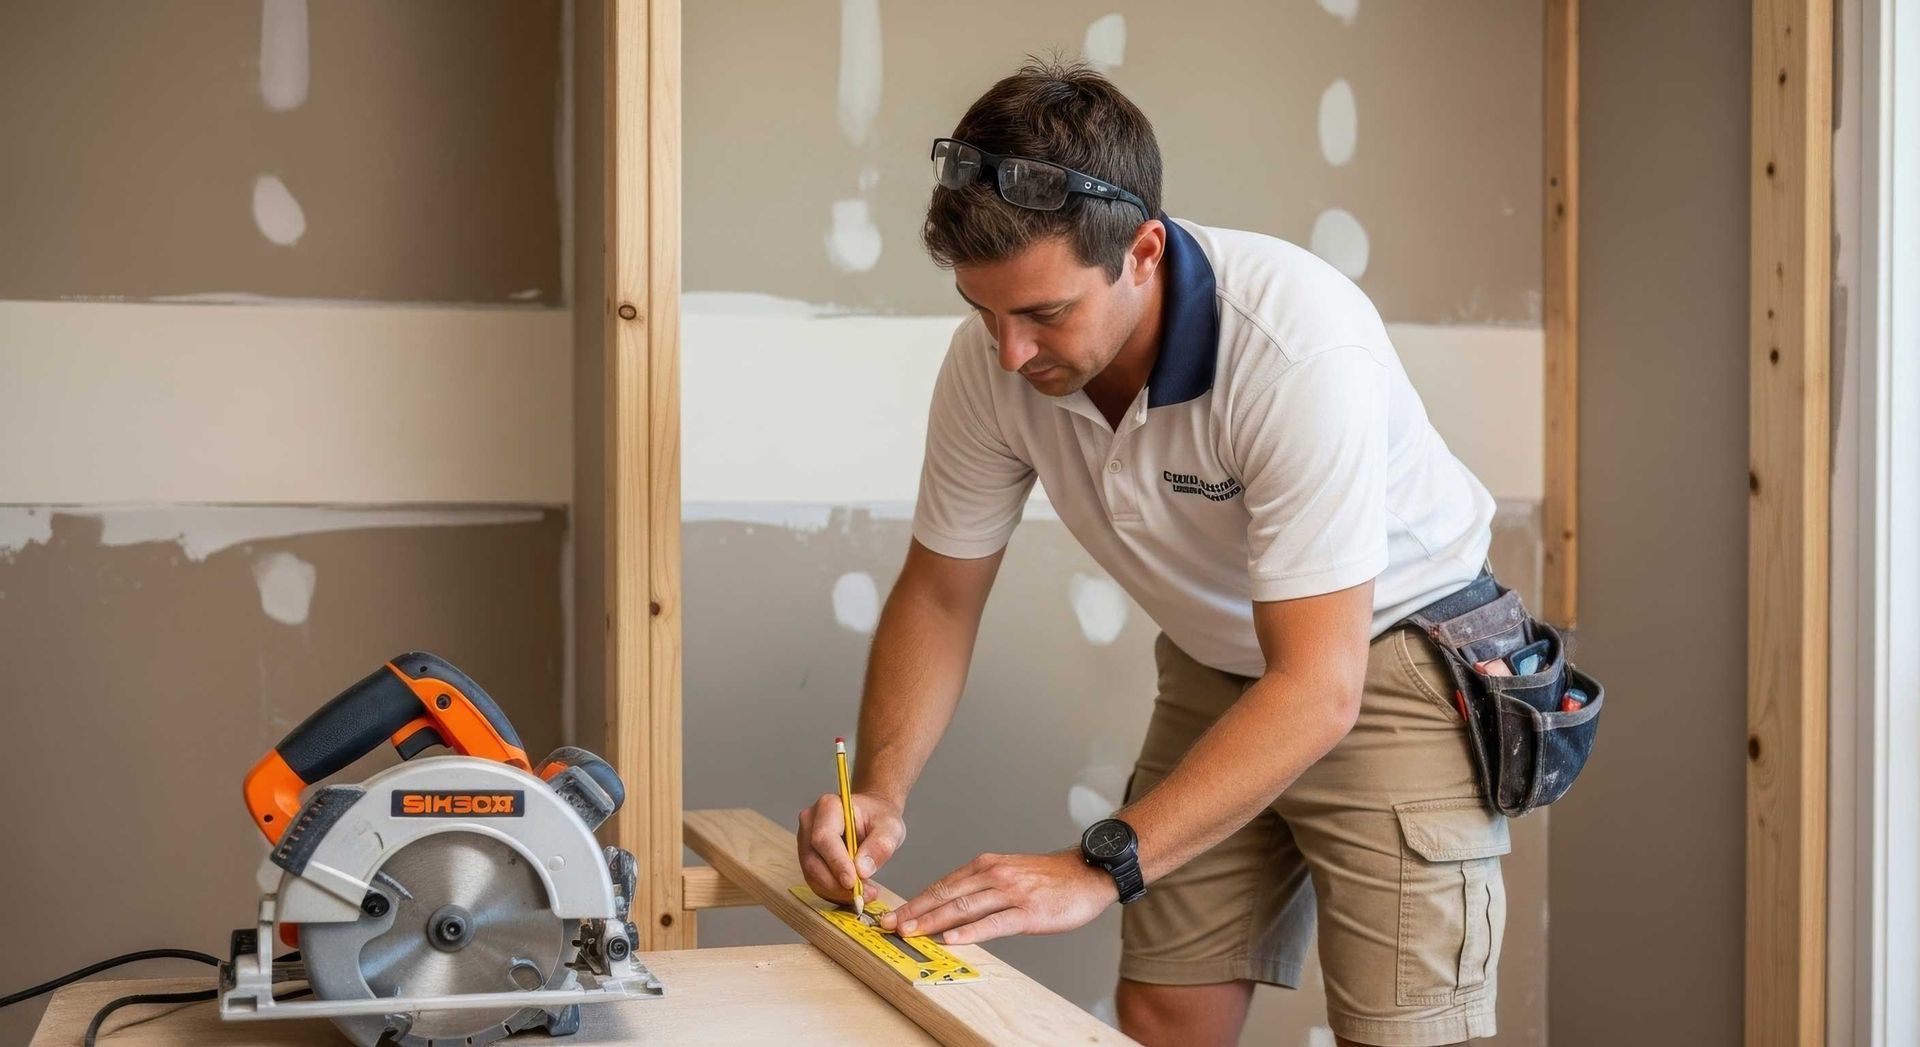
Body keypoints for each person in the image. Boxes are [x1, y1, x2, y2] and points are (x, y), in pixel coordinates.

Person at [797, 59, 1509, 1047]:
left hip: (1390, 662)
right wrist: (880, 786)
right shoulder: (996, 363)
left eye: (1045, 313)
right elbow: (940, 595)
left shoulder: (1296, 348)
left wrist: (1096, 867)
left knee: (1402, 1033)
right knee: (1167, 1008)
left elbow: (1319, 687)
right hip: (1220, 662)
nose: (1009, 353)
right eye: (983, 309)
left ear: (1142, 251)